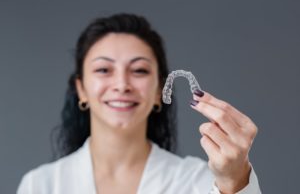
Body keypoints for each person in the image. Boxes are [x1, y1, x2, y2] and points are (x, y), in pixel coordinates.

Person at [17, 13, 261, 194]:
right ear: (81, 89)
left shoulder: (199, 181)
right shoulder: (40, 185)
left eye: (139, 70)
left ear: (159, 91)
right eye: (103, 69)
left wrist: (234, 181)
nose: (122, 84)